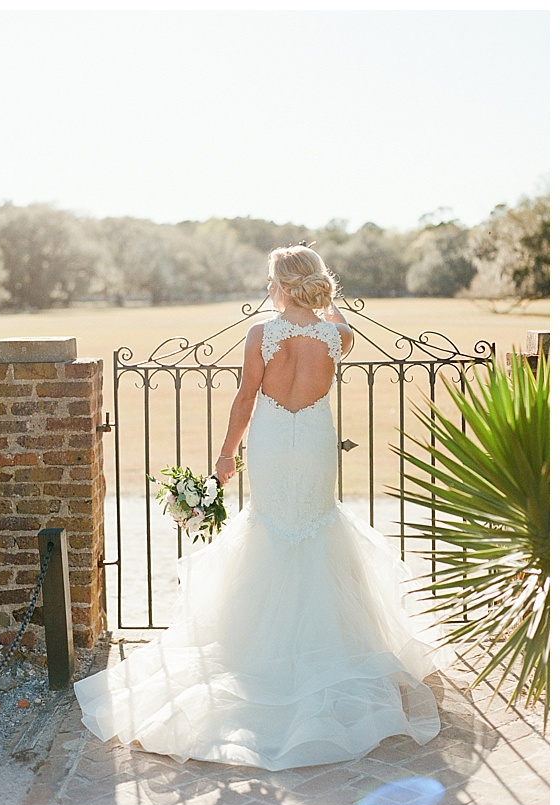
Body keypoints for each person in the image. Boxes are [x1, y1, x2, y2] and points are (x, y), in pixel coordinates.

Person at [74, 243, 446, 771]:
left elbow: (246, 398)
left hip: (272, 441)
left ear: (281, 285)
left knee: (270, 527)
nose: (266, 287)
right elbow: (341, 323)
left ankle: (254, 653)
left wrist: (226, 456)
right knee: (317, 525)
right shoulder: (336, 335)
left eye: (271, 280)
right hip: (315, 441)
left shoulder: (260, 335)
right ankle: (332, 647)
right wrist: (321, 303)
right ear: (313, 285)